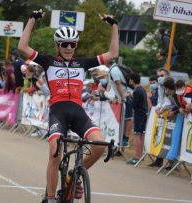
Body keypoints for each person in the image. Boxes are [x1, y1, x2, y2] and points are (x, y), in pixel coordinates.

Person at [18, 9, 118, 202]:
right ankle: (51, 197)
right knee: (55, 152)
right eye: (65, 44)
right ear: (58, 45)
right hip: (58, 112)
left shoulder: (83, 63)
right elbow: (23, 47)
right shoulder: (48, 61)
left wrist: (114, 26)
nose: (69, 47)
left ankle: (74, 175)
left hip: (78, 111)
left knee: (99, 145)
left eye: (72, 44)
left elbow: (113, 53)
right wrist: (32, 19)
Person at [127, 72, 148, 165]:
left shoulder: (136, 91)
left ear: (132, 80)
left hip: (139, 114)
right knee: (142, 135)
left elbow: (133, 104)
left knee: (136, 135)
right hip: (144, 113)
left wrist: (128, 98)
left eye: (130, 79)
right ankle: (141, 156)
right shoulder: (142, 89)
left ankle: (137, 157)